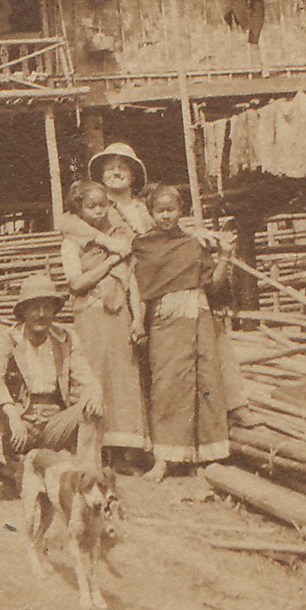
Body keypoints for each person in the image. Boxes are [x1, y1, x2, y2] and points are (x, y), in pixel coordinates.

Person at [60, 141, 257, 428]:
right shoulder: (96, 210)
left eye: (123, 166)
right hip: (129, 290)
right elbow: (66, 225)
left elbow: (171, 226)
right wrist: (108, 242)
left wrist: (195, 232)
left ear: (134, 173)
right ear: (100, 176)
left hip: (163, 282)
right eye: (109, 166)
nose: (116, 171)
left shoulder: (146, 206)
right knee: (141, 361)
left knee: (209, 332)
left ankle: (234, 403)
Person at [0, 273, 104, 504]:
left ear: (54, 310)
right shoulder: (8, 339)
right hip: (20, 420)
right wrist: (12, 415)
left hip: (54, 422)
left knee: (91, 409)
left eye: (47, 307)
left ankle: (87, 478)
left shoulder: (66, 339)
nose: (41, 314)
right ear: (23, 311)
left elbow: (87, 378)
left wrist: (95, 393)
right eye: (34, 308)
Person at [132, 185, 232, 481]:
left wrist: (224, 257)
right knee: (166, 384)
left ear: (181, 211)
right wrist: (138, 321)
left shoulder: (193, 244)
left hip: (198, 315)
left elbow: (213, 287)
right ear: (150, 213)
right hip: (166, 317)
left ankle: (199, 457)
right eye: (159, 210)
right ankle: (164, 459)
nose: (165, 215)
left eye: (171, 209)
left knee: (204, 382)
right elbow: (140, 289)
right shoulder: (144, 245)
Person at [59, 181, 149, 466]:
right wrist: (109, 263)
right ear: (79, 210)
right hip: (90, 316)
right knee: (94, 377)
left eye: (103, 205)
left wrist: (138, 321)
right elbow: (76, 283)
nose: (98, 211)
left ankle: (124, 450)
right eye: (91, 206)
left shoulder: (121, 239)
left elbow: (132, 283)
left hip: (119, 316)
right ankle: (96, 449)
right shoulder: (72, 242)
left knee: (123, 379)